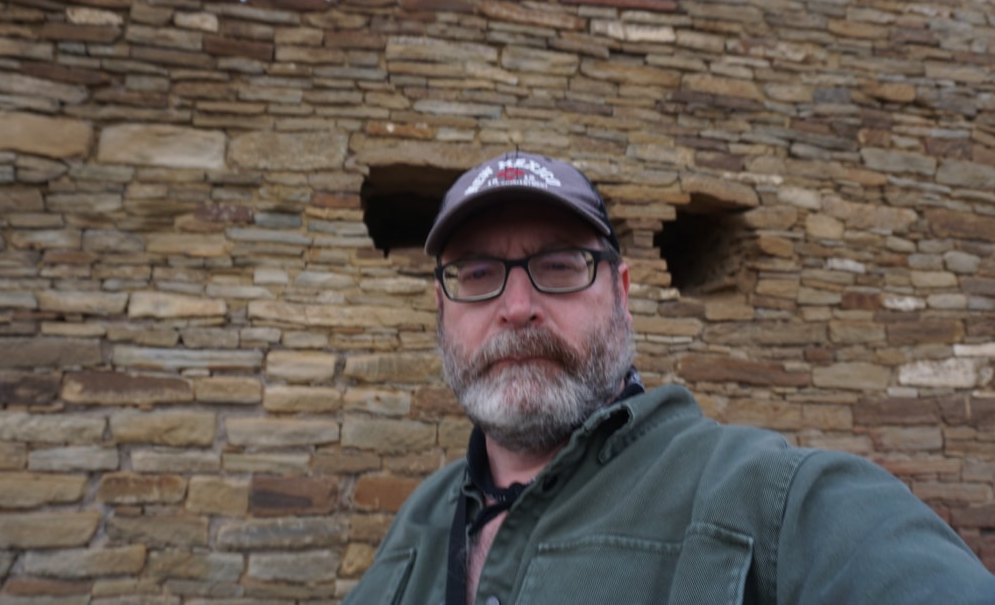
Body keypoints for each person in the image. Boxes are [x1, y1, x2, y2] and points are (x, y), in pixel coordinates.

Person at [342, 151, 995, 605]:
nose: (518, 307)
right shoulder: (418, 520)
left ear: (621, 293)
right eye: (478, 274)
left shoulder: (770, 496)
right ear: (442, 307)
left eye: (562, 264)